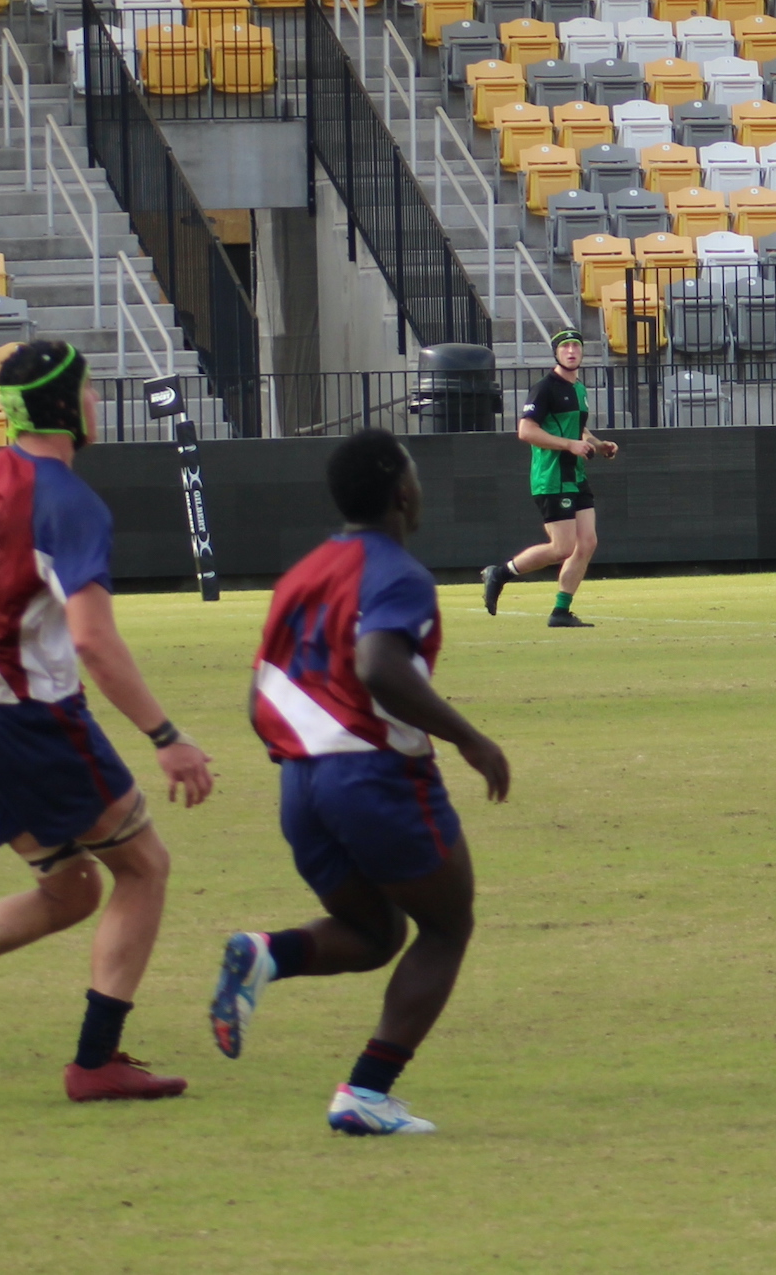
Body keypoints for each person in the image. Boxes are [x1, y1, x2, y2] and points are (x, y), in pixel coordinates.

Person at [0, 340, 216, 1099]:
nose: (94, 402)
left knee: (71, 888)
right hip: (31, 720)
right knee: (144, 866)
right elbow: (92, 640)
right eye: (86, 390)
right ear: (63, 406)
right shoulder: (69, 501)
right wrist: (166, 736)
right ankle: (95, 1062)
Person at [210, 428, 513, 1137]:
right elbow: (379, 665)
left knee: (376, 931)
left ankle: (267, 954)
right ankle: (367, 1092)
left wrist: (299, 755)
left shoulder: (304, 571)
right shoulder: (401, 572)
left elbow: (261, 689)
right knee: (446, 923)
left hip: (301, 783)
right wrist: (468, 737)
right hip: (375, 777)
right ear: (402, 492)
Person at [481, 330, 620, 629]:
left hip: (575, 475)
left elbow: (578, 431)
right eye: (565, 346)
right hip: (552, 476)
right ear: (556, 353)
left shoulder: (578, 388)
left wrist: (597, 444)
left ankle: (561, 611)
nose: (571, 351)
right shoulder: (545, 388)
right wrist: (570, 445)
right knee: (562, 547)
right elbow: (526, 431)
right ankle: (501, 573)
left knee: (587, 542)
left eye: (576, 346)